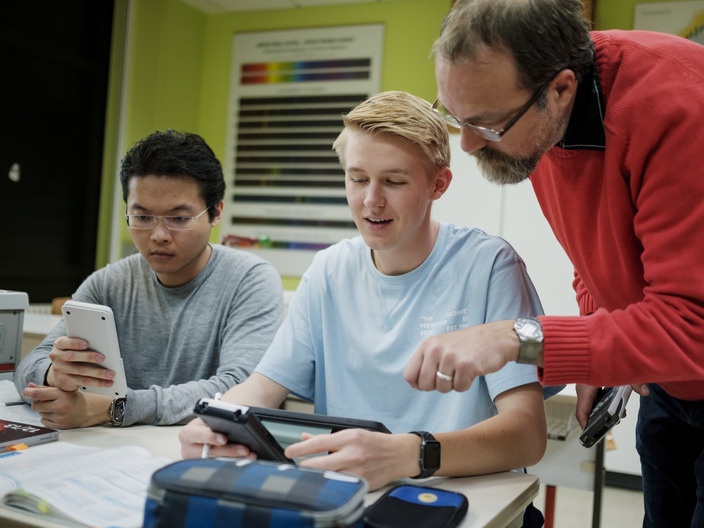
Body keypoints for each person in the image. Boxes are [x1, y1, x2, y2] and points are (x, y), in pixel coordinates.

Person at [403, 1, 704, 525]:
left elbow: (692, 328)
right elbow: (592, 252)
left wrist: (517, 336)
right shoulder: (533, 126)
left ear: (561, 89)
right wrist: (595, 345)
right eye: (455, 116)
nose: (469, 144)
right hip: (668, 387)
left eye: (487, 124)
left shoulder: (678, 109)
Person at [179, 91, 552, 496]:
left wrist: (409, 454)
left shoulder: (490, 266)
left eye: (394, 181)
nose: (371, 201)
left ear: (438, 184)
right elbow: (263, 387)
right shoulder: (329, 270)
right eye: (357, 179)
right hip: (348, 499)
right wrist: (213, 423)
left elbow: (526, 435)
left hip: (461, 500)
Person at [15, 130, 283, 429]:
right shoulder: (108, 283)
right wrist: (55, 375)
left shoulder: (250, 280)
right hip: (111, 452)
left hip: (200, 451)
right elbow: (29, 365)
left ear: (215, 212)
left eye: (179, 218)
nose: (158, 235)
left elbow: (240, 388)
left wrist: (115, 408)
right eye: (142, 217)